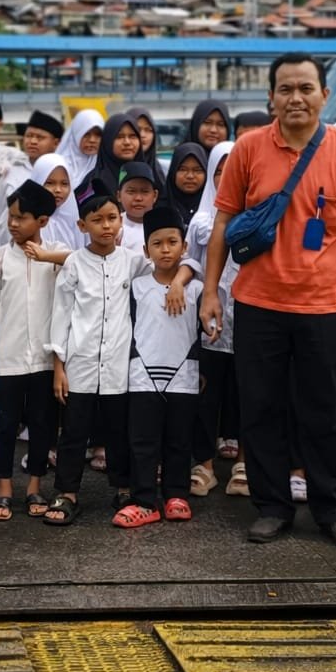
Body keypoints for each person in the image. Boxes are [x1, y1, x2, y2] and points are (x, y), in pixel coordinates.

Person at [200, 52, 336, 550]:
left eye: (305, 88)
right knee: (261, 409)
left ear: (324, 94)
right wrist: (211, 291)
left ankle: (335, 509)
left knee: (330, 413)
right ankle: (272, 506)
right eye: (285, 89)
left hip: (326, 306)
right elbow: (221, 223)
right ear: (271, 98)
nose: (295, 98)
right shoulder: (250, 149)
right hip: (258, 303)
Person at [43, 181, 194, 526]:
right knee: (74, 433)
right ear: (83, 226)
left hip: (119, 368)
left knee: (119, 433)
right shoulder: (74, 265)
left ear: (122, 221)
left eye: (113, 218)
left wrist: (179, 282)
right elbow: (61, 317)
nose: (107, 226)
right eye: (98, 220)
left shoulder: (133, 263)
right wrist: (59, 366)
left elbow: (182, 266)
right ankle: (67, 494)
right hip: (79, 364)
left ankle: (124, 488)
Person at [0, 180, 62, 521]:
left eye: (21, 217)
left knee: (43, 424)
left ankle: (35, 486)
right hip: (8, 358)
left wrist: (45, 256)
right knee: (7, 425)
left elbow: (81, 261)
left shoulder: (56, 254)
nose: (13, 224)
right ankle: (4, 488)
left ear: (41, 221)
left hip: (44, 358)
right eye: (10, 216)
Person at [114, 205, 202, 528]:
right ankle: (144, 500)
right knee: (143, 441)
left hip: (184, 379)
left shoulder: (196, 288)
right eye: (157, 243)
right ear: (145, 249)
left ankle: (177, 495)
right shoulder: (136, 287)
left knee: (179, 440)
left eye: (172, 242)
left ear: (184, 246)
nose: (165, 249)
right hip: (142, 378)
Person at [186, 141, 245, 497]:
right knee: (206, 394)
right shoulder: (202, 220)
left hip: (250, 317)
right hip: (210, 322)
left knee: (249, 395)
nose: (226, 178)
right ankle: (204, 464)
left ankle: (245, 464)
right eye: (220, 172)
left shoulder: (257, 214)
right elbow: (190, 265)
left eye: (233, 171)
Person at [0, 110, 64, 232]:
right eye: (29, 136)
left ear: (56, 143)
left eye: (40, 137)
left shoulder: (63, 172)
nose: (32, 141)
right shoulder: (13, 171)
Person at [76, 113, 144, 198]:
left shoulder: (148, 174)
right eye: (119, 137)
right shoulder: (94, 182)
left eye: (132, 136)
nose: (127, 142)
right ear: (108, 141)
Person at [29, 152, 83, 250]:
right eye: (49, 183)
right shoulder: (25, 219)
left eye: (64, 184)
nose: (58, 190)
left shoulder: (77, 219)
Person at [117, 162, 160, 252]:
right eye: (131, 192)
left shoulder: (165, 225)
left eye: (145, 192)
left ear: (155, 195)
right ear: (119, 196)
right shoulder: (113, 227)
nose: (138, 198)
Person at [57, 108, 104, 190]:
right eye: (86, 134)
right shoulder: (60, 164)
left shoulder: (105, 165)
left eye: (98, 134)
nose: (92, 140)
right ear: (76, 134)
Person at [126, 106, 168, 193]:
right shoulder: (111, 171)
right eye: (138, 129)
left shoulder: (164, 171)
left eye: (148, 130)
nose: (143, 135)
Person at [165, 143, 209, 226]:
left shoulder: (214, 209)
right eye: (183, 169)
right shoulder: (159, 208)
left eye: (197, 170)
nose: (190, 176)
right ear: (173, 172)